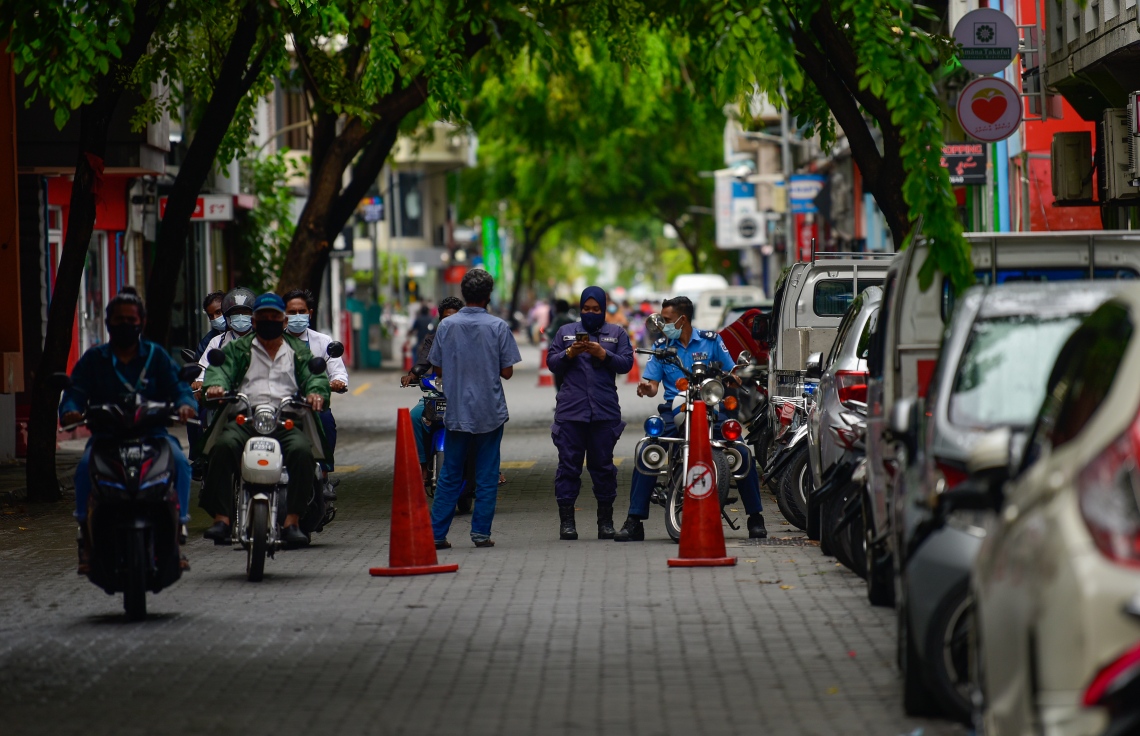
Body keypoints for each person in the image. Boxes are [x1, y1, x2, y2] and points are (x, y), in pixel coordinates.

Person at [60, 287, 197, 573]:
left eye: (130, 320)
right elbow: (75, 392)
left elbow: (179, 386)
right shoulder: (94, 359)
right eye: (119, 320)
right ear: (108, 323)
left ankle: (177, 532)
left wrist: (185, 405)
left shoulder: (156, 356)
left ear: (142, 322)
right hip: (106, 439)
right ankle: (86, 536)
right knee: (84, 468)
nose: (125, 325)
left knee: (181, 462)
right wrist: (69, 410)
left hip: (154, 436)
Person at [614, 295, 768, 542]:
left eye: (666, 320)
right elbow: (653, 386)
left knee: (742, 451)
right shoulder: (661, 347)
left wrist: (734, 377)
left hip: (711, 409)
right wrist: (646, 388)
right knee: (647, 450)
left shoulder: (712, 341)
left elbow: (731, 371)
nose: (662, 325)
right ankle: (634, 520)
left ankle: (756, 518)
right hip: (674, 410)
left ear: (682, 319)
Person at [199, 293, 331, 548]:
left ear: (283, 321)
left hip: (286, 420)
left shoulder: (299, 351)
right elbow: (220, 371)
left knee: (303, 453)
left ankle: (292, 521)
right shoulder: (237, 348)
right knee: (223, 447)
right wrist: (215, 387)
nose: (269, 321)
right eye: (263, 317)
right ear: (255, 321)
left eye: (274, 317)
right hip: (244, 418)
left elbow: (315, 376)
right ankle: (222, 518)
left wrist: (316, 392)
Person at [428, 269, 521, 549]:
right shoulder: (498, 327)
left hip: (456, 410)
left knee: (450, 474)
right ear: (488, 296)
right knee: (487, 473)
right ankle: (480, 533)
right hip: (489, 410)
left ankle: (436, 534)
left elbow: (437, 368)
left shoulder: (446, 326)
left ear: (463, 294)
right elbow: (507, 372)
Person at [547, 286, 633, 540]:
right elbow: (552, 363)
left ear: (604, 310)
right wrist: (569, 353)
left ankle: (605, 523)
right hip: (571, 413)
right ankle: (567, 524)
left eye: (596, 309)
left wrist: (603, 354)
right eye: (586, 309)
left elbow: (626, 364)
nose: (591, 313)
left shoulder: (617, 333)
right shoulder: (565, 333)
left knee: (604, 468)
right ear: (580, 309)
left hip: (604, 412)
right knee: (568, 468)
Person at [283, 288, 347, 489]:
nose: (297, 317)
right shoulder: (272, 342)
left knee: (326, 421)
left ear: (310, 313)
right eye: (291, 312)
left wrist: (337, 382)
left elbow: (338, 372)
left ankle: (324, 476)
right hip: (279, 405)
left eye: (301, 311)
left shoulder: (323, 342)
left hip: (313, 404)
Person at [401, 296, 465, 478]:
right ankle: (423, 467)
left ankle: (492, 470)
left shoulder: (471, 338)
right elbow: (423, 361)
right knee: (414, 416)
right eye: (446, 319)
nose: (450, 323)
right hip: (438, 394)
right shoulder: (433, 339)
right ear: (440, 320)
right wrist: (413, 375)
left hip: (465, 395)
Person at [187, 290, 226, 468]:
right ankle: (200, 455)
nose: (216, 318)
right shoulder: (210, 342)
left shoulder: (257, 337)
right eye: (211, 315)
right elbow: (200, 370)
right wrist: (199, 382)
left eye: (219, 312)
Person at [546, 299, 575, 392]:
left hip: (559, 351)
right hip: (573, 350)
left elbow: (551, 333)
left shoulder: (558, 318)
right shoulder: (573, 318)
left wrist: (545, 330)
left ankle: (561, 402)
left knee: (559, 378)